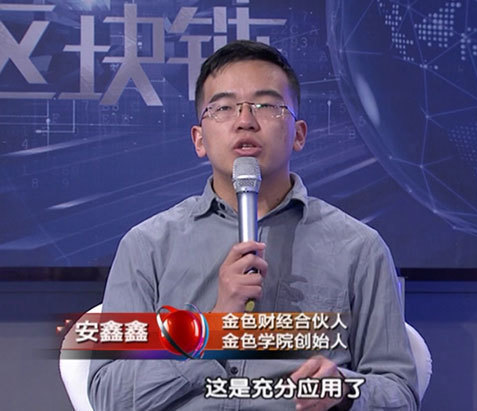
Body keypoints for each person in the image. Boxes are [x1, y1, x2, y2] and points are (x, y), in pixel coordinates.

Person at [88, 40, 419, 410]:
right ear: (199, 139)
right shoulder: (148, 245)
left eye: (267, 105)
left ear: (299, 134)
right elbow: (110, 396)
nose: (245, 120)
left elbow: (400, 395)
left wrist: (345, 389)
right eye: (224, 107)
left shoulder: (358, 247)